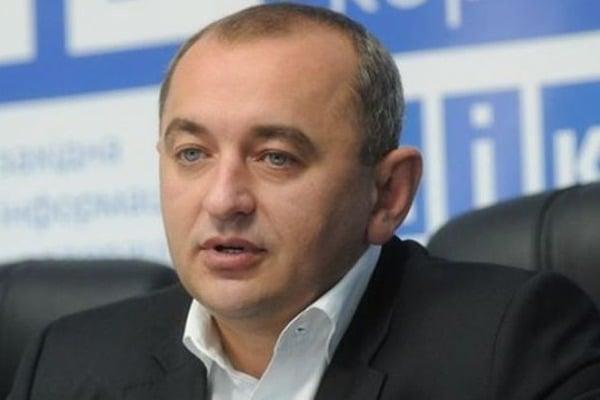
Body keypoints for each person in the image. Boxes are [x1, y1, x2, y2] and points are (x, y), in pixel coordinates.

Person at [9, 4, 600, 399]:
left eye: (275, 157)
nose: (223, 200)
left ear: (388, 193)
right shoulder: (69, 362)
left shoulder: (514, 347)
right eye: (192, 153)